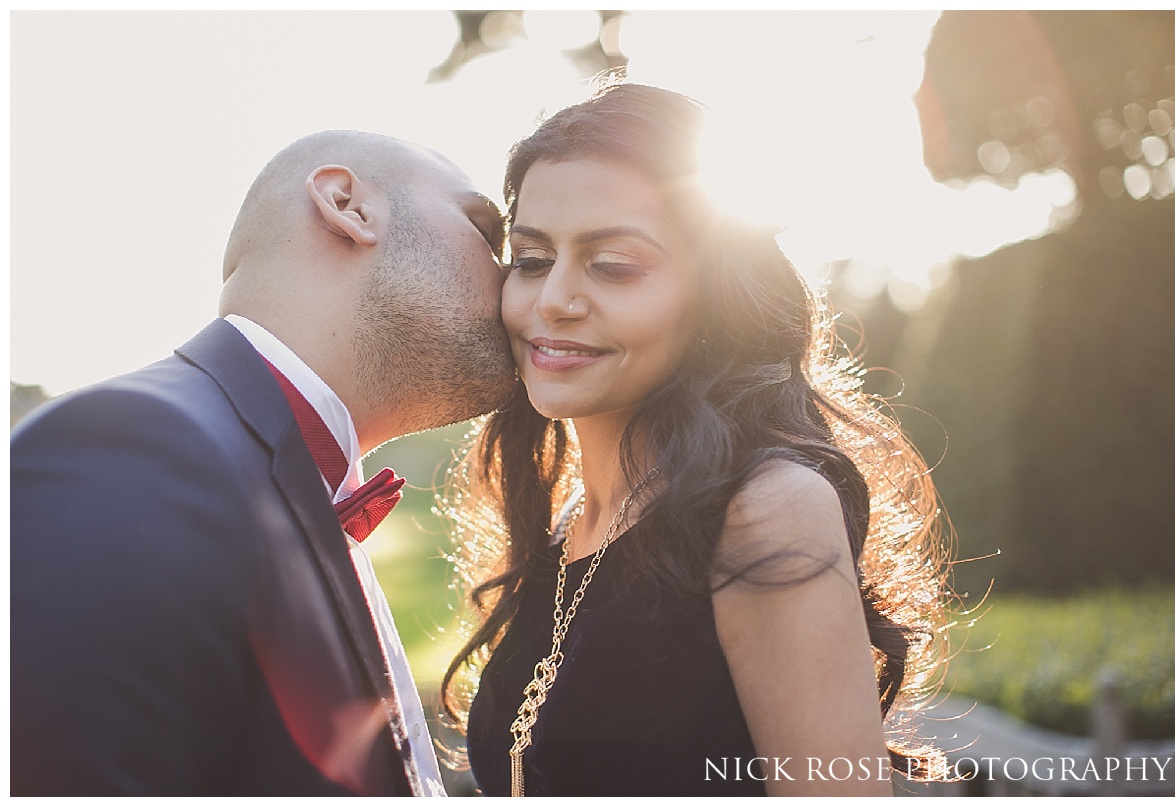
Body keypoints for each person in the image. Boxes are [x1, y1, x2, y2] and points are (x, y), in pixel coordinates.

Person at [440, 83, 951, 796]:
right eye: (530, 259)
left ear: (713, 292)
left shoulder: (765, 510)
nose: (553, 297)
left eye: (613, 264)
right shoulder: (564, 528)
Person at [11, 130, 516, 796]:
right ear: (347, 205)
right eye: (488, 232)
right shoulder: (131, 450)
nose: (520, 279)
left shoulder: (287, 485)